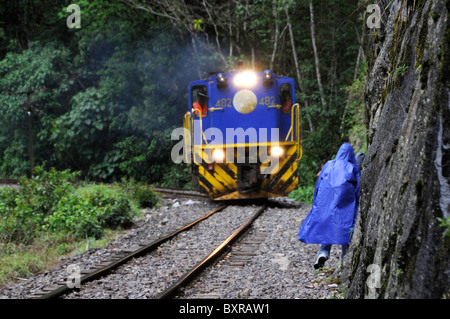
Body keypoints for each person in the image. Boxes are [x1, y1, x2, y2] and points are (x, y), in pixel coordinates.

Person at [298, 143, 361, 269]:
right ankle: (343, 262)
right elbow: (357, 188)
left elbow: (319, 184)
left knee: (328, 227)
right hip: (344, 204)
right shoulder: (352, 168)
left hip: (326, 202)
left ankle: (323, 253)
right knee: (345, 229)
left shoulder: (328, 164)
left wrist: (316, 201)